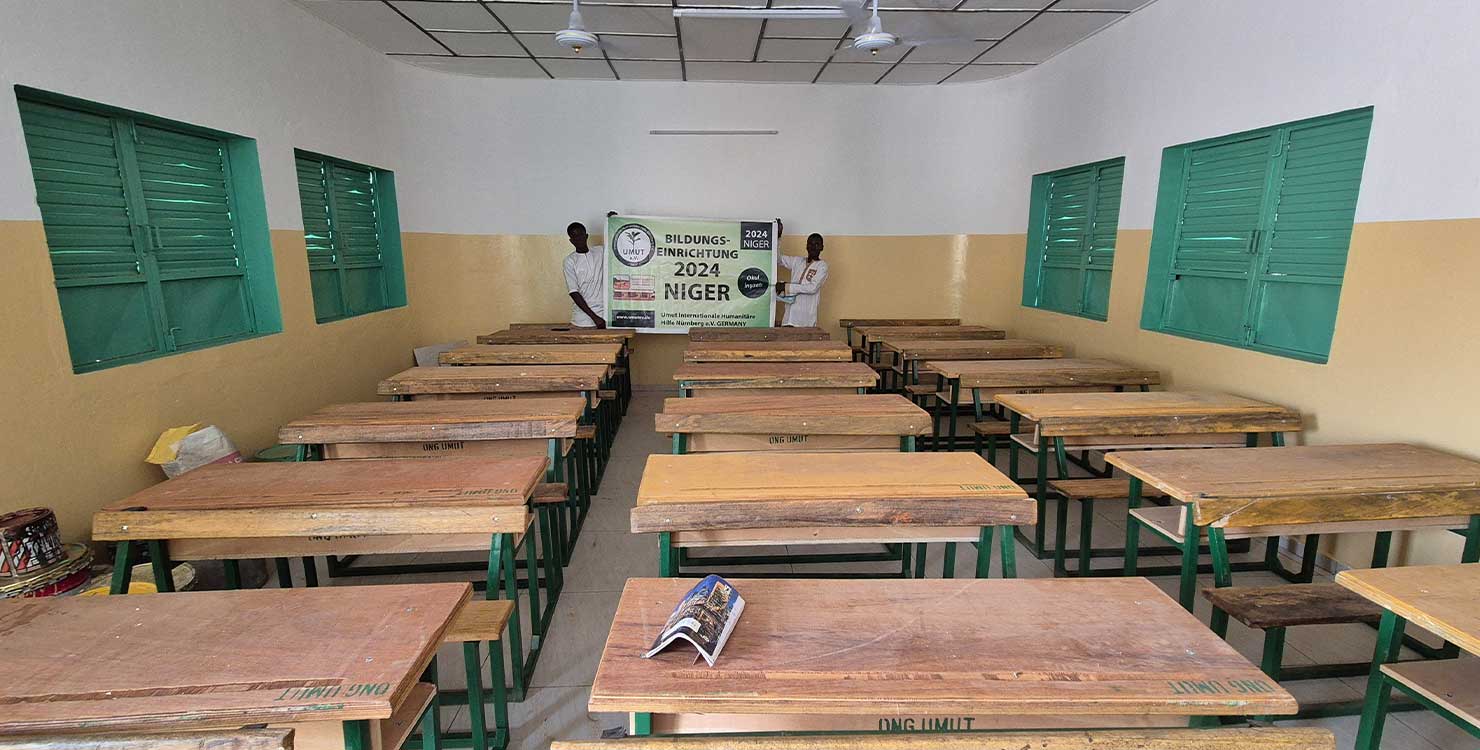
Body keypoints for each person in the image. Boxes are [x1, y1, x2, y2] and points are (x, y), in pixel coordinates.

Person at [775, 232, 828, 327]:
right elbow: (778, 259)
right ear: (806, 246)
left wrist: (786, 287)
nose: (813, 247)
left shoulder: (822, 266)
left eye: (817, 244)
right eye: (810, 244)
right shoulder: (797, 261)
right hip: (789, 318)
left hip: (805, 320)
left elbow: (812, 288)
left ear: (822, 247)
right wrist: (777, 238)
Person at [563, 221, 606, 328]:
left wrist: (613, 220)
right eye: (574, 237)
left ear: (586, 236)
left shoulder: (600, 252)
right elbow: (574, 292)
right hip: (582, 320)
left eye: (580, 235)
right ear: (571, 241)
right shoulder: (570, 261)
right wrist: (595, 318)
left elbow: (617, 244)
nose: (578, 239)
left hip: (604, 315)